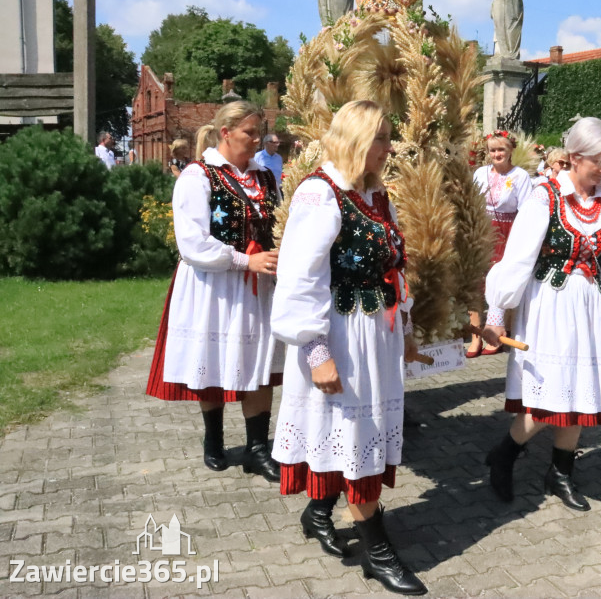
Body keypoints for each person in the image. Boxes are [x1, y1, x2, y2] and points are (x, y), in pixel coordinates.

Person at [270, 101, 426, 596]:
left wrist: (405, 324)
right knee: (353, 433)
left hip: (373, 334)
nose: (389, 147)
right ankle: (377, 553)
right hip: (339, 334)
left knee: (356, 432)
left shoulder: (375, 195)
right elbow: (300, 279)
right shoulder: (321, 194)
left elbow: (395, 266)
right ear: (356, 140)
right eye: (381, 137)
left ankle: (319, 513)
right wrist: (317, 354)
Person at [481, 117, 601, 512]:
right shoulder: (545, 196)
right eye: (600, 162)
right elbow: (517, 259)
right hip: (548, 305)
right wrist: (495, 314)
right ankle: (505, 453)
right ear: (575, 158)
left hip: (588, 305)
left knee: (580, 393)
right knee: (549, 395)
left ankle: (560, 473)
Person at [145, 101, 282, 483]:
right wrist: (243, 261)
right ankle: (214, 441)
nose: (257, 141)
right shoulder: (197, 175)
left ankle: (257, 447)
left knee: (260, 362)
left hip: (257, 285)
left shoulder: (265, 177)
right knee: (216, 359)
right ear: (226, 132)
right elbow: (192, 243)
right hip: (213, 284)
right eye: (249, 133)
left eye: (259, 133)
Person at [467, 131, 533, 357]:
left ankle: (496, 332)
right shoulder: (480, 173)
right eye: (492, 150)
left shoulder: (520, 176)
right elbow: (472, 202)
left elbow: (526, 211)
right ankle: (475, 336)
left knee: (499, 281)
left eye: (501, 149)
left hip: (508, 231)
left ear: (510, 151)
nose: (496, 154)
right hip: (481, 229)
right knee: (475, 281)